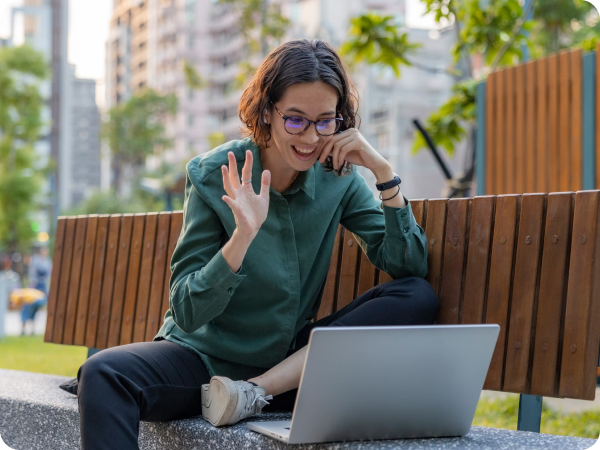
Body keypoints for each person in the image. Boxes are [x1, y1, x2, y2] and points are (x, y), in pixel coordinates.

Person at [76, 39, 439, 449]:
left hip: (284, 372)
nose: (311, 138)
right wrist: (241, 236)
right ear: (267, 112)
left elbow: (408, 266)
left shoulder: (339, 179)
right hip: (204, 361)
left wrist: (383, 172)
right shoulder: (214, 174)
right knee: (104, 374)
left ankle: (252, 391)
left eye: (326, 121)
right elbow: (187, 310)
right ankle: (243, 391)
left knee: (416, 295)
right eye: (296, 120)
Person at [20, 246, 51, 335]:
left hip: (42, 286)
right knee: (28, 306)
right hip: (34, 286)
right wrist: (32, 285)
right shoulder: (36, 261)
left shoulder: (47, 261)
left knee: (36, 308)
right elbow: (32, 275)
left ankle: (33, 328)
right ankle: (23, 328)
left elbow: (48, 274)